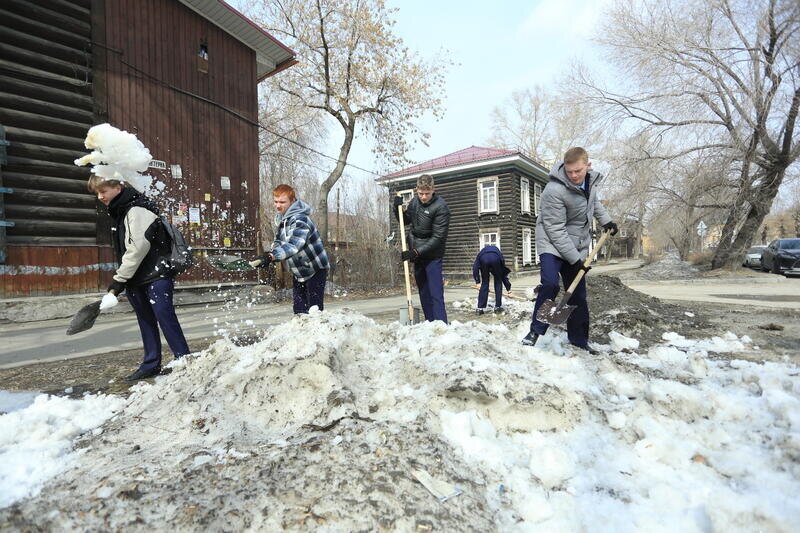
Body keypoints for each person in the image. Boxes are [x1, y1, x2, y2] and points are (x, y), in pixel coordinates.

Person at [88, 176, 190, 382]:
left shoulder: (137, 209)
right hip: (137, 278)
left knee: (164, 317)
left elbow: (138, 247)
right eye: (97, 193)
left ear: (118, 187)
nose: (100, 197)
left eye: (103, 191)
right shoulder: (120, 211)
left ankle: (184, 360)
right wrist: (125, 279)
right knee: (145, 320)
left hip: (155, 275)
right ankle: (151, 364)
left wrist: (118, 281)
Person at [523, 147, 618, 353]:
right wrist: (576, 260)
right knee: (550, 284)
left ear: (588, 166)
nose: (574, 175)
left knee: (577, 295)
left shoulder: (590, 182)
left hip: (576, 244)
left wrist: (607, 221)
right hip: (551, 241)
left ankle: (579, 340)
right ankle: (535, 331)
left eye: (578, 171)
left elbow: (594, 204)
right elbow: (555, 229)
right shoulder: (554, 190)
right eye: (570, 171)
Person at [252, 184, 329, 314]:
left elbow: (294, 245)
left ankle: (316, 333)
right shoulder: (283, 220)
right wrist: (270, 254)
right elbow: (279, 241)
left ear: (293, 201)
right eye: (276, 202)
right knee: (299, 311)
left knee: (314, 311)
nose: (278, 205)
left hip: (315, 269)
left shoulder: (301, 220)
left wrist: (272, 256)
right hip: (299, 271)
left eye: (282, 202)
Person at [393, 174, 450, 323]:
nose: (424, 197)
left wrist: (415, 252)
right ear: (417, 190)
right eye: (421, 193)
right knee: (424, 292)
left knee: (435, 293)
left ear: (433, 190)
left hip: (433, 256)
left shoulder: (441, 207)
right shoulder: (414, 202)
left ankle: (442, 326)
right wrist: (396, 207)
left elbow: (438, 238)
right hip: (417, 254)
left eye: (427, 193)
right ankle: (430, 324)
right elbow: (404, 221)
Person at [473, 245, 511, 314]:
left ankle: (480, 309)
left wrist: (477, 282)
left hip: (483, 259)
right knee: (498, 281)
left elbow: (475, 267)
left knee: (485, 282)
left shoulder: (480, 253)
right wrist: (509, 289)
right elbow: (503, 274)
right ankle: (497, 307)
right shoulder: (498, 252)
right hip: (496, 259)